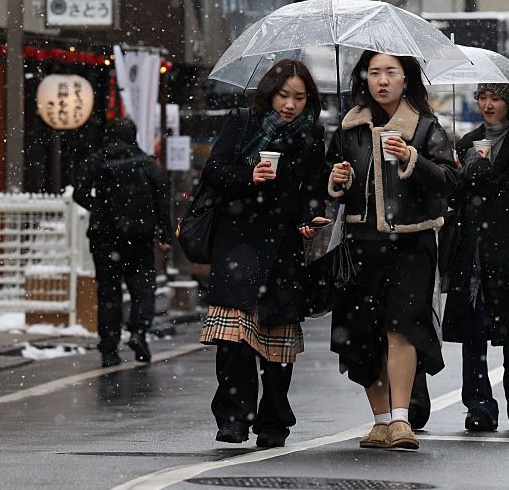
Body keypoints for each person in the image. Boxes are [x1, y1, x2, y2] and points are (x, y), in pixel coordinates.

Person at [327, 50, 458, 451]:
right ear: (364, 79)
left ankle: (401, 419)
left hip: (411, 243)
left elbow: (449, 180)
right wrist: (335, 178)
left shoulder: (425, 128)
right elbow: (327, 187)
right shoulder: (347, 131)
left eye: (391, 73)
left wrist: (411, 157)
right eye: (374, 73)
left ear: (406, 80)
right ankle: (380, 420)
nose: (382, 80)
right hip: (360, 245)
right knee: (362, 335)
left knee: (401, 327)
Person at [197, 59, 328, 448]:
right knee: (233, 338)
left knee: (277, 341)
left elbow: (313, 189)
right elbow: (213, 173)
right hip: (237, 240)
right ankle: (235, 419)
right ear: (269, 93)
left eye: (299, 98)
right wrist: (247, 175)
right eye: (283, 95)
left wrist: (309, 218)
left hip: (284, 246)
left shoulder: (312, 135)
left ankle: (273, 422)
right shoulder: (243, 123)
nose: (290, 105)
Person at [442, 83, 509, 432]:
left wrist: (481, 173)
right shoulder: (466, 142)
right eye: (483, 97)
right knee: (473, 334)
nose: (487, 104)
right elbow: (456, 196)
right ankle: (479, 406)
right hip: (472, 251)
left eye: (496, 98)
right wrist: (459, 174)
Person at [73, 118, 171, 368]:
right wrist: (165, 235)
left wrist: (102, 209)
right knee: (142, 288)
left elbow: (79, 193)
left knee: (108, 292)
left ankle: (109, 348)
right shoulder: (147, 163)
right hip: (140, 235)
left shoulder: (96, 161)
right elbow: (162, 198)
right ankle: (138, 331)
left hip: (105, 236)